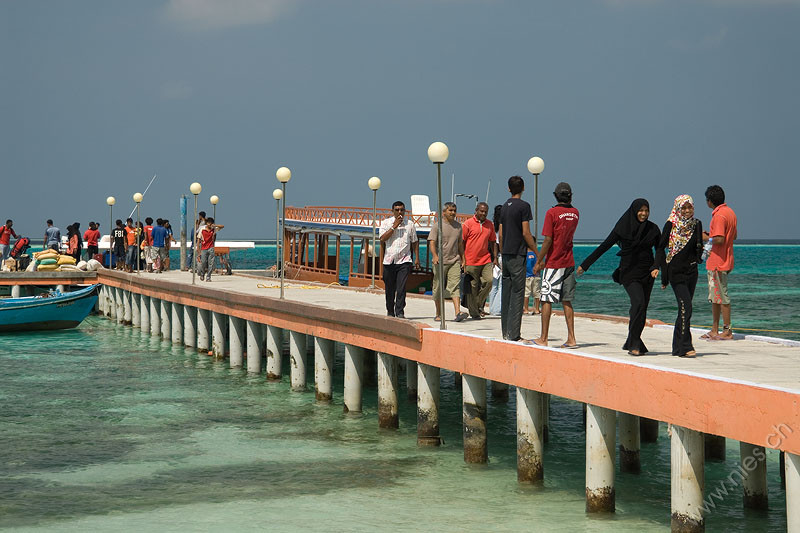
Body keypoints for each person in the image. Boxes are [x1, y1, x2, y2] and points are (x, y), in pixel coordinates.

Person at [577, 199, 661, 355]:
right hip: (629, 272)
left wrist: (657, 266)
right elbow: (604, 246)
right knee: (638, 303)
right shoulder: (622, 228)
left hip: (648, 273)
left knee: (641, 309)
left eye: (646, 210)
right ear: (634, 210)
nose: (644, 214)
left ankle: (632, 339)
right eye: (641, 210)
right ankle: (634, 344)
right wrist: (585, 264)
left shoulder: (653, 229)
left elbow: (660, 250)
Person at [653, 195, 703, 357]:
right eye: (684, 208)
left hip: (692, 272)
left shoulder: (697, 224)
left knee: (683, 310)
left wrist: (701, 254)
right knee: (686, 307)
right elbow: (660, 249)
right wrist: (662, 273)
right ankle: (685, 346)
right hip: (676, 272)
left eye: (690, 207)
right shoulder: (671, 224)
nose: (687, 211)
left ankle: (677, 347)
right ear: (677, 208)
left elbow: (698, 248)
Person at [533, 182, 580, 348]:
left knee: (546, 300)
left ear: (555, 195)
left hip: (554, 263)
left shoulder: (552, 213)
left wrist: (539, 260)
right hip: (569, 261)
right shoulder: (575, 213)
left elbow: (548, 240)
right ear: (570, 196)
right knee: (567, 301)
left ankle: (543, 338)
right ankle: (572, 338)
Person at [497, 176, 537, 342]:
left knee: (506, 293)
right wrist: (537, 251)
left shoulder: (504, 207)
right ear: (523, 188)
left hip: (505, 254)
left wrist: (501, 251)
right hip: (517, 254)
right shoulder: (524, 206)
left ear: (508, 188)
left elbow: (500, 232)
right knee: (518, 293)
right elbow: (526, 232)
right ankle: (514, 334)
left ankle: (505, 332)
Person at [701, 185, 738, 340]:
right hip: (725, 259)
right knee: (715, 297)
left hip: (718, 261)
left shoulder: (719, 216)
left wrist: (704, 237)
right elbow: (732, 237)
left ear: (710, 201)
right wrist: (712, 235)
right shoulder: (730, 213)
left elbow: (720, 239)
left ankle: (727, 330)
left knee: (722, 297)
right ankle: (714, 329)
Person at [379, 200, 420, 318]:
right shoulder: (386, 223)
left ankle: (400, 311)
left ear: (405, 211)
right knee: (390, 288)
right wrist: (394, 226)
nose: (400, 212)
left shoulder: (410, 224)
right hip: (389, 261)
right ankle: (390, 311)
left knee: (401, 288)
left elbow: (415, 241)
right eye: (397, 210)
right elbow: (382, 238)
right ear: (392, 211)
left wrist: (417, 258)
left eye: (402, 210)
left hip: (404, 260)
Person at [428, 202, 466, 322]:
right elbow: (432, 242)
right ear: (444, 212)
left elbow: (460, 244)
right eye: (450, 210)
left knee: (455, 286)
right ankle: (438, 313)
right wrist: (434, 256)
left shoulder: (458, 226)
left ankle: (457, 312)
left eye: (454, 210)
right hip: (440, 261)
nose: (453, 213)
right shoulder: (437, 226)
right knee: (438, 287)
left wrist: (463, 259)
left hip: (454, 260)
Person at [462, 202, 498, 320]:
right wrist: (463, 259)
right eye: (481, 211)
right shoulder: (467, 224)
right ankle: (475, 313)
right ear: (476, 210)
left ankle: (476, 304)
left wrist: (495, 257)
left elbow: (493, 241)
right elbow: (461, 242)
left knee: (489, 281)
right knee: (472, 287)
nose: (483, 214)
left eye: (485, 212)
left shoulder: (490, 225)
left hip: (486, 259)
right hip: (470, 261)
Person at [487, 205, 504, 316]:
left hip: (492, 258)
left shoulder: (492, 226)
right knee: (502, 284)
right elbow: (498, 243)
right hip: (500, 256)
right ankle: (497, 309)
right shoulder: (503, 226)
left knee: (494, 285)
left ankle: (492, 308)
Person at [198, 217, 224, 281]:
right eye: (208, 223)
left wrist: (215, 225)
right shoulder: (202, 229)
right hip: (204, 248)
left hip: (211, 248)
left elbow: (222, 226)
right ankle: (202, 274)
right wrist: (198, 250)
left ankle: (208, 277)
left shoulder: (213, 229)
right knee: (203, 262)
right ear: (206, 223)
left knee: (211, 263)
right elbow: (198, 239)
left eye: (211, 223)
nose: (209, 224)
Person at [524, 242, 541, 315]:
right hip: (536, 276)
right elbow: (539, 265)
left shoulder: (525, 255)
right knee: (536, 293)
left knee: (526, 293)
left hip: (527, 276)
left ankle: (526, 309)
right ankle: (537, 309)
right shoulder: (537, 255)